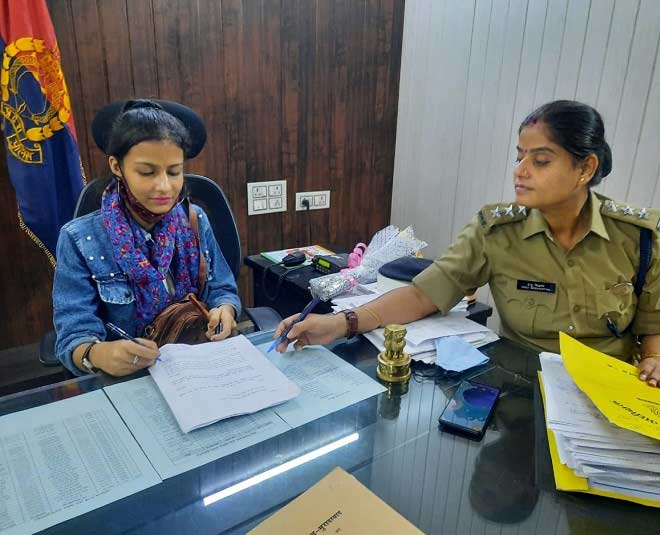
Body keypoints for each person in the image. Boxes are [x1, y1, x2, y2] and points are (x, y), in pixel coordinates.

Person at [275, 100, 660, 386]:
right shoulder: (497, 231)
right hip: (523, 392)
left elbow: (653, 323)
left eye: (540, 161)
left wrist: (654, 358)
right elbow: (423, 295)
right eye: (519, 157)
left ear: (586, 168)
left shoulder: (639, 237)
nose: (520, 171)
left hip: (609, 394)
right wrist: (341, 323)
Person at [53, 99, 241, 377]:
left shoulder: (194, 219)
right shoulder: (79, 239)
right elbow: (73, 336)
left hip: (198, 362)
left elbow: (221, 288)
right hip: (130, 376)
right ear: (117, 166)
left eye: (174, 172)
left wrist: (225, 308)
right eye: (146, 172)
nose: (164, 186)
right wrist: (98, 354)